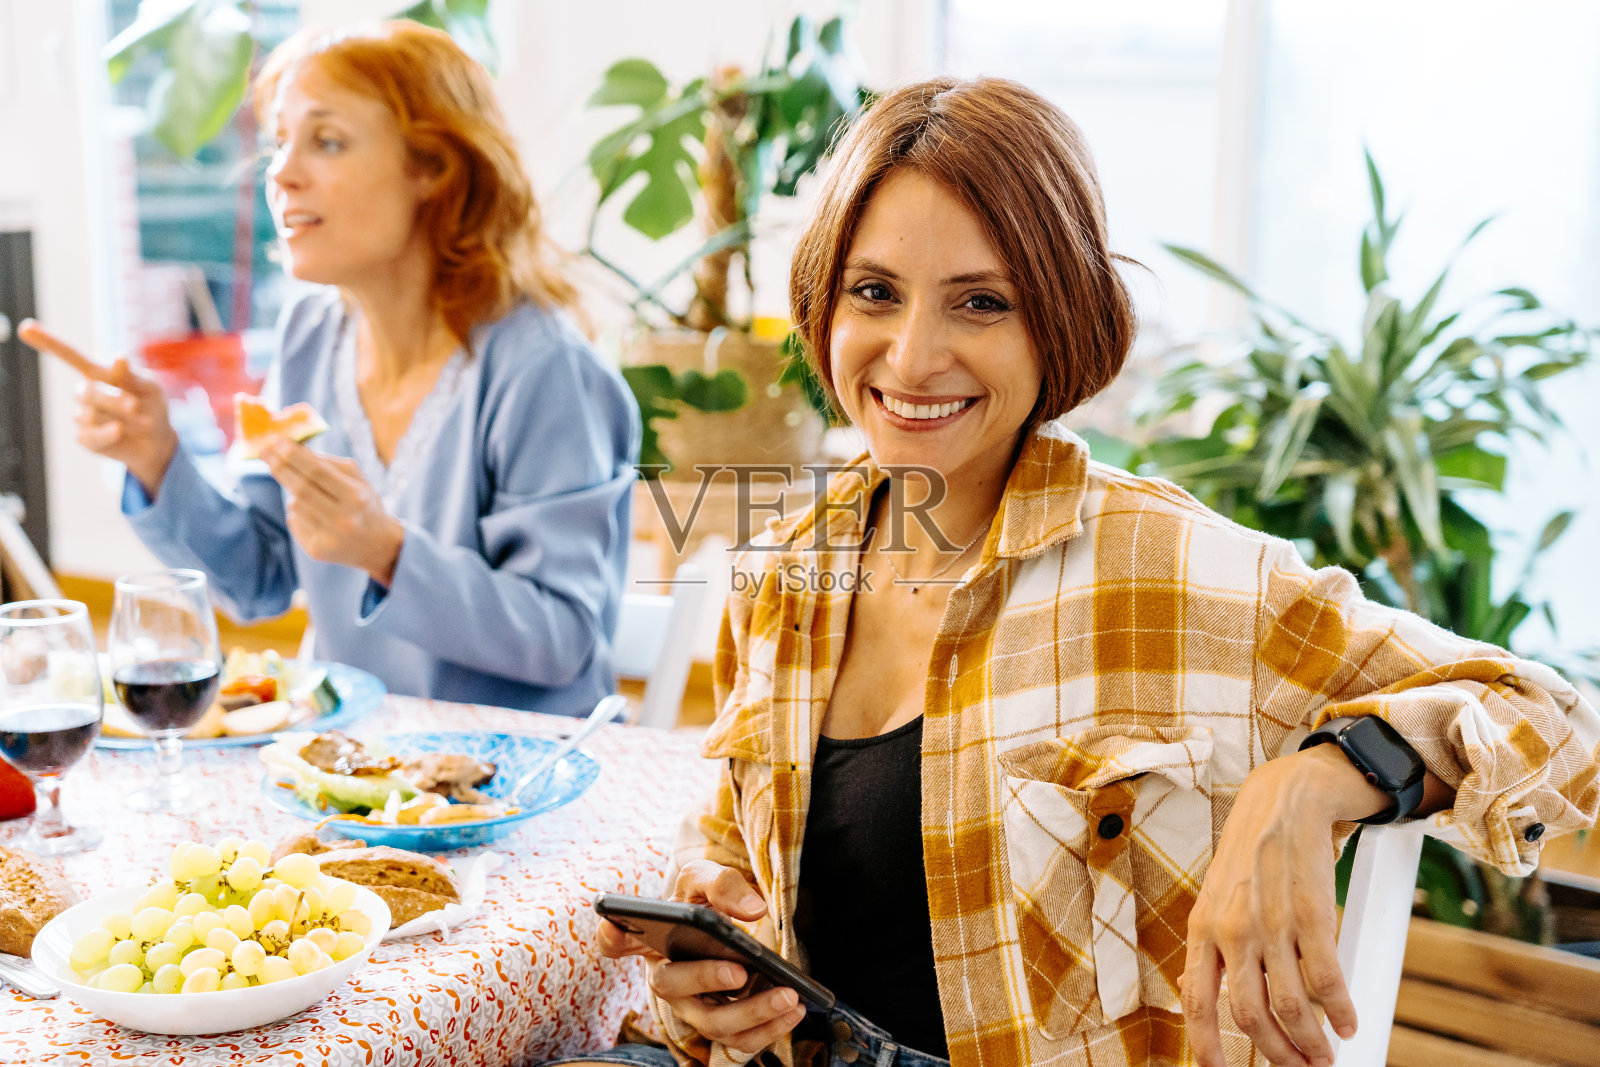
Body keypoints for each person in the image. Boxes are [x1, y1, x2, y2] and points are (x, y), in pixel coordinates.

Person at [559, 77, 1600, 1067]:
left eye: (980, 303)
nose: (912, 357)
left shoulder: (1169, 571)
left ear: (1057, 316)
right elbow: (735, 867)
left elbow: (1556, 719)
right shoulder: (784, 571)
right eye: (874, 292)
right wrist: (706, 972)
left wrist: (1319, 777)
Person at [24, 22, 638, 715]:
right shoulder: (310, 336)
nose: (280, 172)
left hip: (522, 780)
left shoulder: (543, 369)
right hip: (352, 770)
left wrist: (387, 553)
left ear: (434, 169)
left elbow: (563, 636)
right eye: (279, 140)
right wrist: (159, 460)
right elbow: (257, 577)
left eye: (328, 140)